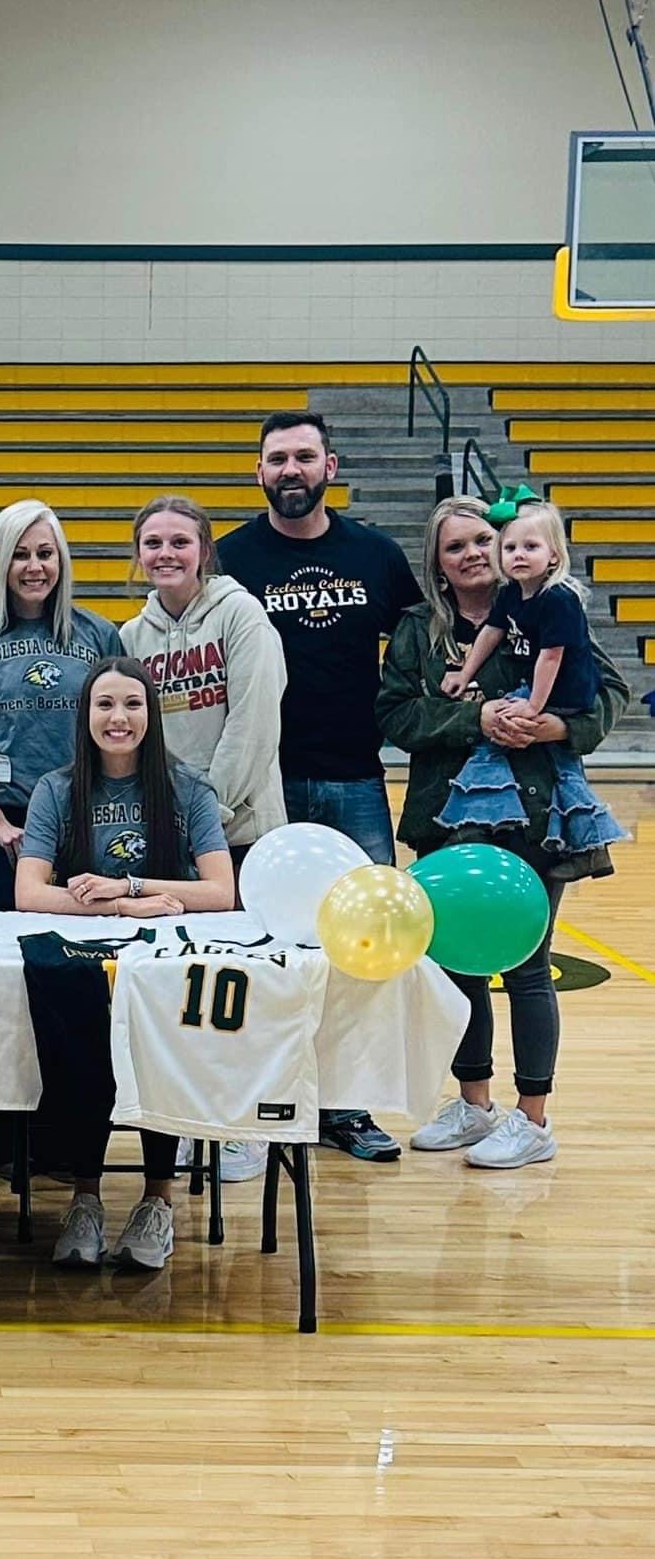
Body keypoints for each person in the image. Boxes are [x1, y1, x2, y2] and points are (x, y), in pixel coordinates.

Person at [377, 497, 626, 1171]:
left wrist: (557, 727)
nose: (473, 554)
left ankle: (534, 1118)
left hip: (539, 813)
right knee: (457, 964)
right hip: (446, 813)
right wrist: (477, 720)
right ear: (437, 562)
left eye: (484, 539)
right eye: (454, 546)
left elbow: (608, 693)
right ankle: (474, 1103)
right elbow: (395, 716)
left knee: (526, 965)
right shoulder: (417, 632)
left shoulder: (551, 604)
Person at [215, 409, 420, 1162]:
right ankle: (263, 1100)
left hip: (357, 777)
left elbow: (424, 652)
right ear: (259, 472)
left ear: (329, 467)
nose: (290, 470)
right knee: (259, 943)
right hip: (263, 784)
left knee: (363, 949)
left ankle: (347, 1106)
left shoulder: (377, 555)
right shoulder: (230, 558)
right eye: (277, 459)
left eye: (304, 457)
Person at [15, 657, 235, 1272]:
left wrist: (128, 884)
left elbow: (221, 890)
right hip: (84, 957)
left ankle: (157, 1200)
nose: (119, 718)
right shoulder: (56, 789)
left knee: (157, 1056)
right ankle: (85, 1198)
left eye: (132, 704)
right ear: (85, 715)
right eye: (105, 705)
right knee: (85, 1059)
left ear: (151, 714)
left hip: (164, 960)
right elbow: (29, 893)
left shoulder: (187, 786)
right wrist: (118, 907)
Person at [121, 494, 287, 1184]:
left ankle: (245, 1125)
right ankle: (192, 1120)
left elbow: (252, 723)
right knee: (185, 991)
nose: (165, 554)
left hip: (240, 832)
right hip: (172, 843)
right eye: (152, 542)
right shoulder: (132, 638)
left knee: (243, 986)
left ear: (204, 550)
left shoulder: (242, 615)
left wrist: (207, 817)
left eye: (178, 542)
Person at [0, 499, 124, 913]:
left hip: (82, 820)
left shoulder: (100, 636)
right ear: (0, 560)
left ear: (61, 560)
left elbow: (121, 735)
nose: (34, 567)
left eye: (44, 553)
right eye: (19, 554)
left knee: (82, 948)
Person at [437, 502, 624, 854]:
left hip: (566, 695)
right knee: (496, 731)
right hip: (536, 689)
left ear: (553, 556)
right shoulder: (511, 593)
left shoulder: (559, 599)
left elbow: (553, 658)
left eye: (530, 547)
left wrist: (537, 710)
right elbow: (493, 631)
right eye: (510, 548)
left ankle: (584, 839)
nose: (518, 555)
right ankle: (482, 814)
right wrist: (464, 674)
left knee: (562, 771)